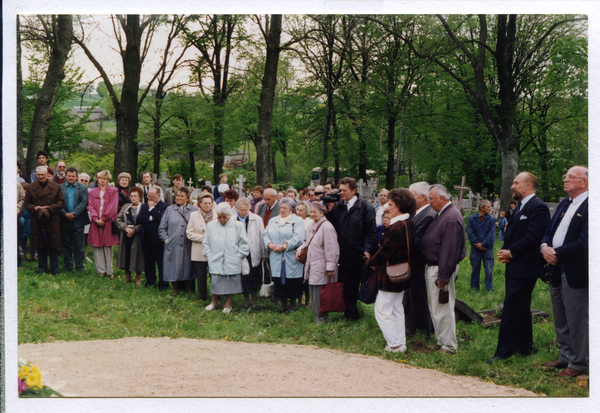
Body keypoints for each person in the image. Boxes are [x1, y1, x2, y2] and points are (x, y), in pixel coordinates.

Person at [489, 172, 550, 362]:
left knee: (511, 308)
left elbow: (533, 237)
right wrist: (506, 250)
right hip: (515, 265)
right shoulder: (521, 207)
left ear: (528, 185)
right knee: (521, 307)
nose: (512, 186)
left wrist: (511, 252)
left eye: (516, 182)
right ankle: (525, 347)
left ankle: (503, 352)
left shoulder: (538, 207)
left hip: (526, 267)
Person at [540, 166, 588, 377]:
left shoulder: (590, 205)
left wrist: (557, 252)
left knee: (576, 316)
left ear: (584, 182)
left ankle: (579, 363)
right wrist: (544, 248)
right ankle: (565, 356)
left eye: (571, 177)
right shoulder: (564, 203)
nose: (565, 179)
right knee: (559, 314)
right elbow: (548, 232)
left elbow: (587, 241)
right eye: (565, 175)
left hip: (576, 269)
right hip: (555, 267)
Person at [420, 184, 466, 354]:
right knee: (436, 308)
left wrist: (443, 276)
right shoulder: (444, 215)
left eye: (431, 198)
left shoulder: (451, 218)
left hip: (441, 268)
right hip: (435, 266)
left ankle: (449, 345)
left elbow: (449, 250)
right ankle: (441, 340)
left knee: (443, 308)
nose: (429, 202)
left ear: (441, 198)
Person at [369, 189, 417, 352]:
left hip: (390, 274)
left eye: (391, 204)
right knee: (397, 308)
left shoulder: (396, 227)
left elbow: (384, 252)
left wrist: (371, 261)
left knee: (382, 310)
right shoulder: (408, 222)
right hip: (402, 272)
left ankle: (394, 344)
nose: (387, 207)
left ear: (400, 206)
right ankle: (400, 342)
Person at [326, 177, 377, 321]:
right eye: (340, 190)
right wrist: (329, 208)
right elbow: (331, 223)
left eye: (344, 190)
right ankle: (348, 311)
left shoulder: (365, 207)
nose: (341, 193)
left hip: (357, 251)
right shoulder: (339, 206)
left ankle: (353, 313)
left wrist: (367, 250)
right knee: (344, 283)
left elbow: (371, 232)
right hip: (341, 251)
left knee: (354, 284)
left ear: (354, 191)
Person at [296, 202, 339, 323]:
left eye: (315, 212)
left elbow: (332, 249)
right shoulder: (311, 225)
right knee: (314, 293)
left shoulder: (327, 227)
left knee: (321, 294)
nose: (312, 214)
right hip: (312, 265)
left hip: (322, 266)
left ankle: (322, 321)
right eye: (311, 211)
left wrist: (331, 267)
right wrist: (299, 249)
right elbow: (306, 242)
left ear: (322, 213)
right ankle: (317, 319)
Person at [203, 202, 249, 313]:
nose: (222, 219)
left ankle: (228, 304)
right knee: (215, 281)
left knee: (231, 282)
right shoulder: (211, 225)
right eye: (219, 217)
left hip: (232, 258)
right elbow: (206, 242)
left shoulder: (237, 226)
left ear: (229, 215)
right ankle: (214, 302)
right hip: (216, 258)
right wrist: (209, 254)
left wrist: (238, 256)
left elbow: (244, 243)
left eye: (224, 217)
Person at [263, 198, 306, 313]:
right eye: (281, 207)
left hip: (291, 255)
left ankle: (292, 305)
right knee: (278, 280)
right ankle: (282, 305)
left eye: (285, 208)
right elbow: (265, 234)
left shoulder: (298, 221)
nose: (282, 210)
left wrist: (284, 246)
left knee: (292, 281)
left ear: (292, 209)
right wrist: (271, 245)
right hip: (276, 256)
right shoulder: (273, 220)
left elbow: (298, 238)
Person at [405, 181, 436, 338]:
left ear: (424, 197)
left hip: (419, 263)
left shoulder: (429, 215)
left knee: (419, 299)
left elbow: (416, 241)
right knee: (409, 298)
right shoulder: (417, 213)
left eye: (413, 195)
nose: (410, 199)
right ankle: (410, 330)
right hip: (411, 264)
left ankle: (426, 332)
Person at [23, 166, 65, 275]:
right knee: (40, 244)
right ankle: (41, 269)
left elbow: (61, 202)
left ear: (47, 174)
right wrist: (35, 208)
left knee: (53, 245)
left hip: (52, 220)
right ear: (36, 175)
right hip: (37, 220)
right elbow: (26, 204)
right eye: (38, 175)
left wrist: (50, 208)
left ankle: (55, 269)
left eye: (43, 174)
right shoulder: (31, 187)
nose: (41, 176)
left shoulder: (56, 187)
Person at [158, 187, 199, 296]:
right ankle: (175, 291)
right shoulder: (169, 210)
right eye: (177, 195)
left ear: (187, 198)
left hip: (188, 243)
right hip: (173, 244)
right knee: (172, 266)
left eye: (182, 196)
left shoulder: (194, 210)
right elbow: (162, 227)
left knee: (188, 267)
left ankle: (188, 291)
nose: (179, 198)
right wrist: (166, 240)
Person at [235, 197, 267, 310]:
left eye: (246, 209)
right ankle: (246, 301)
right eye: (241, 210)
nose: (244, 212)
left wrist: (264, 254)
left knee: (254, 276)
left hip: (254, 251)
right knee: (244, 277)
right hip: (240, 251)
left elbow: (262, 236)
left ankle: (254, 301)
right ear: (237, 209)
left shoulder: (257, 219)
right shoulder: (233, 219)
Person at [88, 170, 120, 278]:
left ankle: (109, 270)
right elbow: (91, 206)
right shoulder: (92, 192)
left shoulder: (113, 191)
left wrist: (104, 219)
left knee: (107, 245)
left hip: (108, 222)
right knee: (97, 245)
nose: (102, 180)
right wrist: (96, 219)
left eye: (105, 178)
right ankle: (101, 270)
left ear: (108, 180)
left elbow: (113, 207)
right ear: (97, 179)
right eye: (100, 178)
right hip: (96, 222)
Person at [137, 187, 170, 291]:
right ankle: (150, 281)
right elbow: (139, 219)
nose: (150, 199)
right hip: (146, 238)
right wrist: (151, 218)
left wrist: (152, 209)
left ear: (159, 195)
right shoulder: (143, 206)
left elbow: (161, 219)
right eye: (149, 196)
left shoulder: (165, 206)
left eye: (153, 196)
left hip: (158, 240)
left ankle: (163, 284)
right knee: (148, 262)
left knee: (161, 263)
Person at [187, 193, 217, 301]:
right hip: (199, 250)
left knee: (214, 275)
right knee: (201, 275)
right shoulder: (194, 215)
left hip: (214, 250)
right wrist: (204, 238)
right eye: (205, 203)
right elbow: (189, 233)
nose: (208, 205)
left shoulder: (217, 215)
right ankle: (202, 297)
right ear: (199, 204)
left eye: (210, 203)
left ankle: (216, 296)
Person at [59, 167, 90, 272]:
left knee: (79, 245)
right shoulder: (59, 187)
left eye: (73, 176)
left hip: (78, 220)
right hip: (64, 219)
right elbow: (58, 203)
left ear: (77, 177)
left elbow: (84, 203)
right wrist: (65, 214)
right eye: (69, 176)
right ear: (66, 176)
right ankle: (68, 266)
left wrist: (74, 214)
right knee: (66, 244)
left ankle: (80, 266)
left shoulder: (83, 188)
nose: (71, 178)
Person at [116, 187, 145, 285]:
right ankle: (127, 277)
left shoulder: (143, 207)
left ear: (140, 197)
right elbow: (118, 219)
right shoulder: (125, 206)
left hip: (137, 235)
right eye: (131, 196)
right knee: (126, 255)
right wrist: (125, 228)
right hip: (125, 235)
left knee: (138, 256)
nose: (133, 198)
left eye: (135, 196)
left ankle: (138, 279)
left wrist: (134, 230)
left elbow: (144, 221)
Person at [467, 200, 496, 292]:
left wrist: (483, 244)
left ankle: (489, 290)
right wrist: (478, 245)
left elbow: (491, 234)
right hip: (475, 248)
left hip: (488, 248)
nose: (490, 208)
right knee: (475, 268)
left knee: (488, 269)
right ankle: (475, 289)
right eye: (488, 207)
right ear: (481, 208)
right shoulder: (472, 218)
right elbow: (470, 233)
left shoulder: (491, 219)